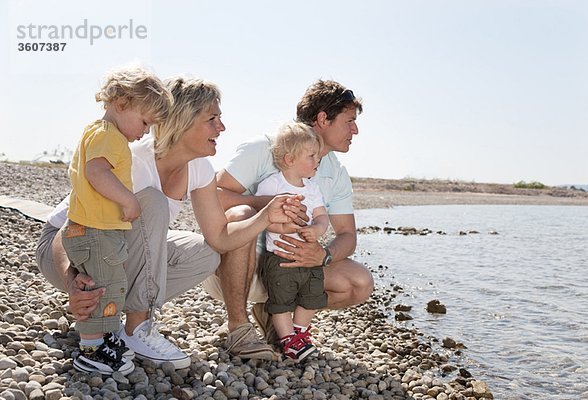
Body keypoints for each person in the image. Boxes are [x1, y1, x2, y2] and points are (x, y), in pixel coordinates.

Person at [36, 76, 301, 369]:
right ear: (183, 120)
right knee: (153, 202)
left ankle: (122, 317)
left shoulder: (199, 168)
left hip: (115, 252)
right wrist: (71, 281)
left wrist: (264, 217)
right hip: (63, 250)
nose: (221, 128)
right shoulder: (133, 160)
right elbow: (68, 228)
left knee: (206, 254)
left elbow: (220, 237)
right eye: (212, 119)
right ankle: (137, 325)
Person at [204, 79, 374, 350]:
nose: (355, 130)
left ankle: (278, 317)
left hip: (292, 273)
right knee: (241, 213)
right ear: (323, 118)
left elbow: (347, 235)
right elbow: (214, 195)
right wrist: (268, 205)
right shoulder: (264, 148)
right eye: (349, 121)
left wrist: (324, 255)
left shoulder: (336, 174)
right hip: (233, 269)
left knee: (360, 283)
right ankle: (238, 327)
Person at [62, 66, 172, 375]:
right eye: (145, 121)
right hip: (97, 232)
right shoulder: (108, 136)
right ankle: (92, 349)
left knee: (108, 284)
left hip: (94, 231)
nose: (146, 132)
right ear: (122, 103)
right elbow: (96, 173)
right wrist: (128, 199)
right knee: (103, 287)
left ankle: (102, 337)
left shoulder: (99, 133)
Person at [255, 122, 329, 360]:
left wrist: (317, 230)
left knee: (313, 296)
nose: (317, 160)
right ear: (289, 159)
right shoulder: (273, 184)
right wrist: (284, 227)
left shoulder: (312, 187)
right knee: (282, 300)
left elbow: (321, 216)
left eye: (317, 155)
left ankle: (300, 333)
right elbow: (261, 219)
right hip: (280, 258)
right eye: (311, 156)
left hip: (309, 258)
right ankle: (288, 341)